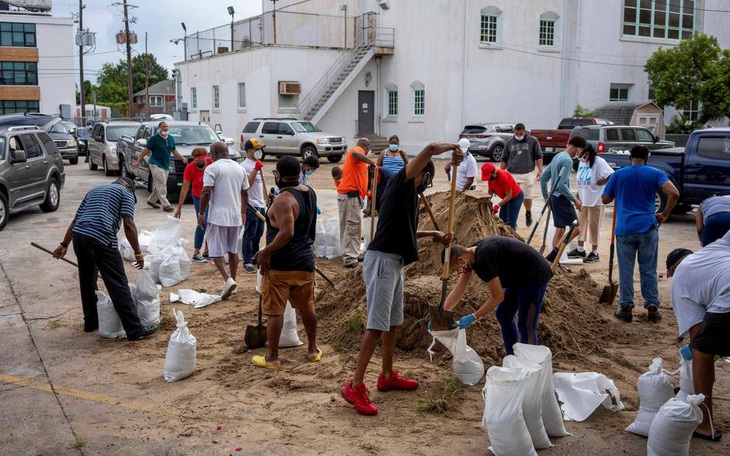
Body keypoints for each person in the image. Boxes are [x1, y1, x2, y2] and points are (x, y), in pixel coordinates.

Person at [341, 142, 461, 416]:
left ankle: (386, 375)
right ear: (421, 174)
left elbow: (403, 231)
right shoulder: (399, 183)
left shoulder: (408, 198)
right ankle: (355, 385)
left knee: (393, 323)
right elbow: (430, 148)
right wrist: (453, 147)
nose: (425, 187)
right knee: (376, 325)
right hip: (381, 261)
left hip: (394, 261)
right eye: (426, 181)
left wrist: (433, 235)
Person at [53, 177, 158, 341]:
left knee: (87, 281)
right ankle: (134, 329)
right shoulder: (126, 193)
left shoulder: (93, 191)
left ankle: (91, 323)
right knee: (117, 283)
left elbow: (76, 220)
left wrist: (64, 244)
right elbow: (128, 224)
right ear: (129, 187)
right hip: (101, 238)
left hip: (80, 237)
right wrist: (138, 253)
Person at [251, 156, 321, 369]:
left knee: (275, 311)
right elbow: (294, 219)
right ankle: (312, 350)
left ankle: (272, 358)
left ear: (279, 175)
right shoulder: (309, 193)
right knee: (307, 308)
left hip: (281, 264)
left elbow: (287, 231)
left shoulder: (284, 200)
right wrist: (273, 207)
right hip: (305, 262)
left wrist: (265, 252)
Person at [602, 144, 679, 323]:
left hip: (625, 229)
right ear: (647, 158)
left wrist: (615, 191)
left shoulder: (619, 175)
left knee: (626, 270)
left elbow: (605, 199)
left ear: (630, 157)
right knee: (649, 270)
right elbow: (674, 193)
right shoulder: (655, 173)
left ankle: (626, 307)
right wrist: (664, 214)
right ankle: (652, 308)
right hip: (647, 228)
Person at [667, 231, 730, 441]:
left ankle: (704, 425)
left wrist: (700, 359)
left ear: (672, 270)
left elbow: (697, 336)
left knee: (702, 352)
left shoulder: (679, 280)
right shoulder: (714, 248)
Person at [443, 236, 552, 355]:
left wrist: (474, 316)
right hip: (518, 276)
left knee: (526, 324)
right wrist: (442, 313)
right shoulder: (470, 255)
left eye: (456, 269)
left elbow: (498, 297)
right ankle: (513, 358)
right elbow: (459, 289)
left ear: (460, 260)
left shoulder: (483, 258)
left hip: (535, 274)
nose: (459, 271)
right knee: (504, 314)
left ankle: (531, 366)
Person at [199, 141, 250, 299]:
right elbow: (245, 193)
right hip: (235, 216)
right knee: (233, 250)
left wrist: (201, 212)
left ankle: (228, 280)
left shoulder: (212, 168)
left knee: (215, 251)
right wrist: (243, 212)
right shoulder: (239, 168)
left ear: (213, 154)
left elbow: (206, 191)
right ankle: (233, 282)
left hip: (218, 216)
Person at [540, 136, 586, 263]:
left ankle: (555, 262)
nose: (579, 154)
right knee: (576, 229)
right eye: (580, 151)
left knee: (560, 229)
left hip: (554, 198)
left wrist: (546, 197)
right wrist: (575, 201)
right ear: (578, 149)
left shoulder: (558, 156)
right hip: (561, 198)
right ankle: (553, 255)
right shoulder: (567, 160)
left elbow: (544, 177)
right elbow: (561, 185)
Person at [567, 144, 613, 262]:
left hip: (596, 200)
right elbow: (581, 180)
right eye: (579, 153)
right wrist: (578, 195)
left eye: (582, 154)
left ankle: (594, 252)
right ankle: (580, 249)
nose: (580, 156)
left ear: (588, 153)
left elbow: (612, 174)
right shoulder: (583, 162)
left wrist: (604, 181)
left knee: (594, 227)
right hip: (583, 200)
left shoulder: (599, 162)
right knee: (580, 225)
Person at [133, 121, 188, 212]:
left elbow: (174, 150)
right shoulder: (154, 139)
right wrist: (138, 160)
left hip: (165, 165)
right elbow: (145, 150)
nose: (165, 128)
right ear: (159, 128)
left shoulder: (170, 138)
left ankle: (151, 200)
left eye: (167, 126)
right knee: (162, 184)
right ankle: (166, 205)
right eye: (163, 126)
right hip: (155, 164)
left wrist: (182, 157)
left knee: (159, 184)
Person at [337, 138, 375, 268]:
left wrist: (369, 194)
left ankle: (351, 253)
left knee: (349, 226)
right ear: (367, 146)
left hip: (351, 196)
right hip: (350, 196)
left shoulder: (360, 164)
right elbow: (355, 153)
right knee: (353, 226)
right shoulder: (357, 152)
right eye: (369, 148)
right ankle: (349, 258)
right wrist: (371, 162)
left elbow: (361, 182)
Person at [174, 147, 212, 262]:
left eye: (202, 158)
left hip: (211, 197)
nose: (200, 161)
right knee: (202, 222)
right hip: (199, 197)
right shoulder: (189, 168)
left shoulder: (211, 163)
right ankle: (196, 252)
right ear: (193, 159)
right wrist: (179, 208)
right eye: (197, 159)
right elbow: (184, 189)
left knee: (212, 223)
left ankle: (207, 250)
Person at [501, 123, 543, 227]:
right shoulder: (509, 142)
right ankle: (510, 217)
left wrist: (540, 170)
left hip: (527, 173)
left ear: (524, 131)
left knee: (526, 196)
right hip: (511, 173)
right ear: (514, 132)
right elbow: (504, 159)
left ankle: (528, 212)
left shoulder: (533, 141)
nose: (519, 135)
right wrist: (501, 172)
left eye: (520, 134)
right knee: (509, 196)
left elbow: (539, 156)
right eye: (517, 134)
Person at [240, 139, 267, 274]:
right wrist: (255, 169)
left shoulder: (258, 164)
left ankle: (255, 256)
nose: (259, 152)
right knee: (249, 234)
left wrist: (266, 197)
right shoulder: (244, 166)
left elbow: (260, 184)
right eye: (257, 149)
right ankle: (247, 261)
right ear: (249, 151)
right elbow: (247, 185)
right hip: (251, 205)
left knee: (259, 233)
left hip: (260, 203)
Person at [481, 162, 523, 230]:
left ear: (494, 171)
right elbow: (490, 191)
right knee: (501, 220)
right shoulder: (491, 178)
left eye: (490, 177)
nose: (489, 179)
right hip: (505, 198)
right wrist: (487, 202)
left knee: (509, 224)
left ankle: (511, 237)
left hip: (515, 197)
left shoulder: (503, 177)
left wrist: (497, 205)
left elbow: (509, 196)